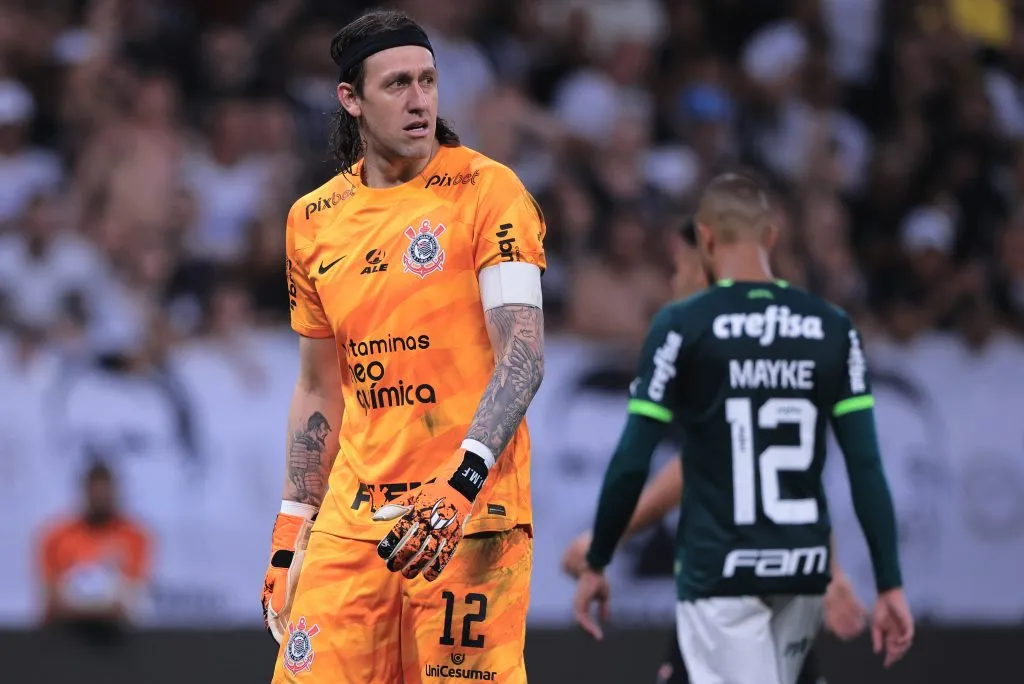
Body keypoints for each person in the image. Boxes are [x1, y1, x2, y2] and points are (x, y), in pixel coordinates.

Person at [259, 9, 546, 684]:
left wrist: (463, 480)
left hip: (470, 521)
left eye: (428, 81)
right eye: (396, 85)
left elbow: (524, 356)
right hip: (351, 524)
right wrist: (287, 532)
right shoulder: (312, 221)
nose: (419, 101)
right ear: (350, 99)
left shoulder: (487, 190)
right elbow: (317, 388)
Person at [572, 174, 913, 684]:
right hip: (801, 569)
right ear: (772, 236)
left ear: (705, 238)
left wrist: (598, 557)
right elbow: (865, 465)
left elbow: (632, 458)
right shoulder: (833, 326)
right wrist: (889, 582)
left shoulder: (683, 325)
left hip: (721, 571)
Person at [39, 462, 150, 633]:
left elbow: (130, 600)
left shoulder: (134, 537)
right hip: (63, 637)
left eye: (105, 489)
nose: (100, 496)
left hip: (116, 640)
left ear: (115, 491)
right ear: (85, 491)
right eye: (95, 489)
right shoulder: (56, 537)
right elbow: (52, 600)